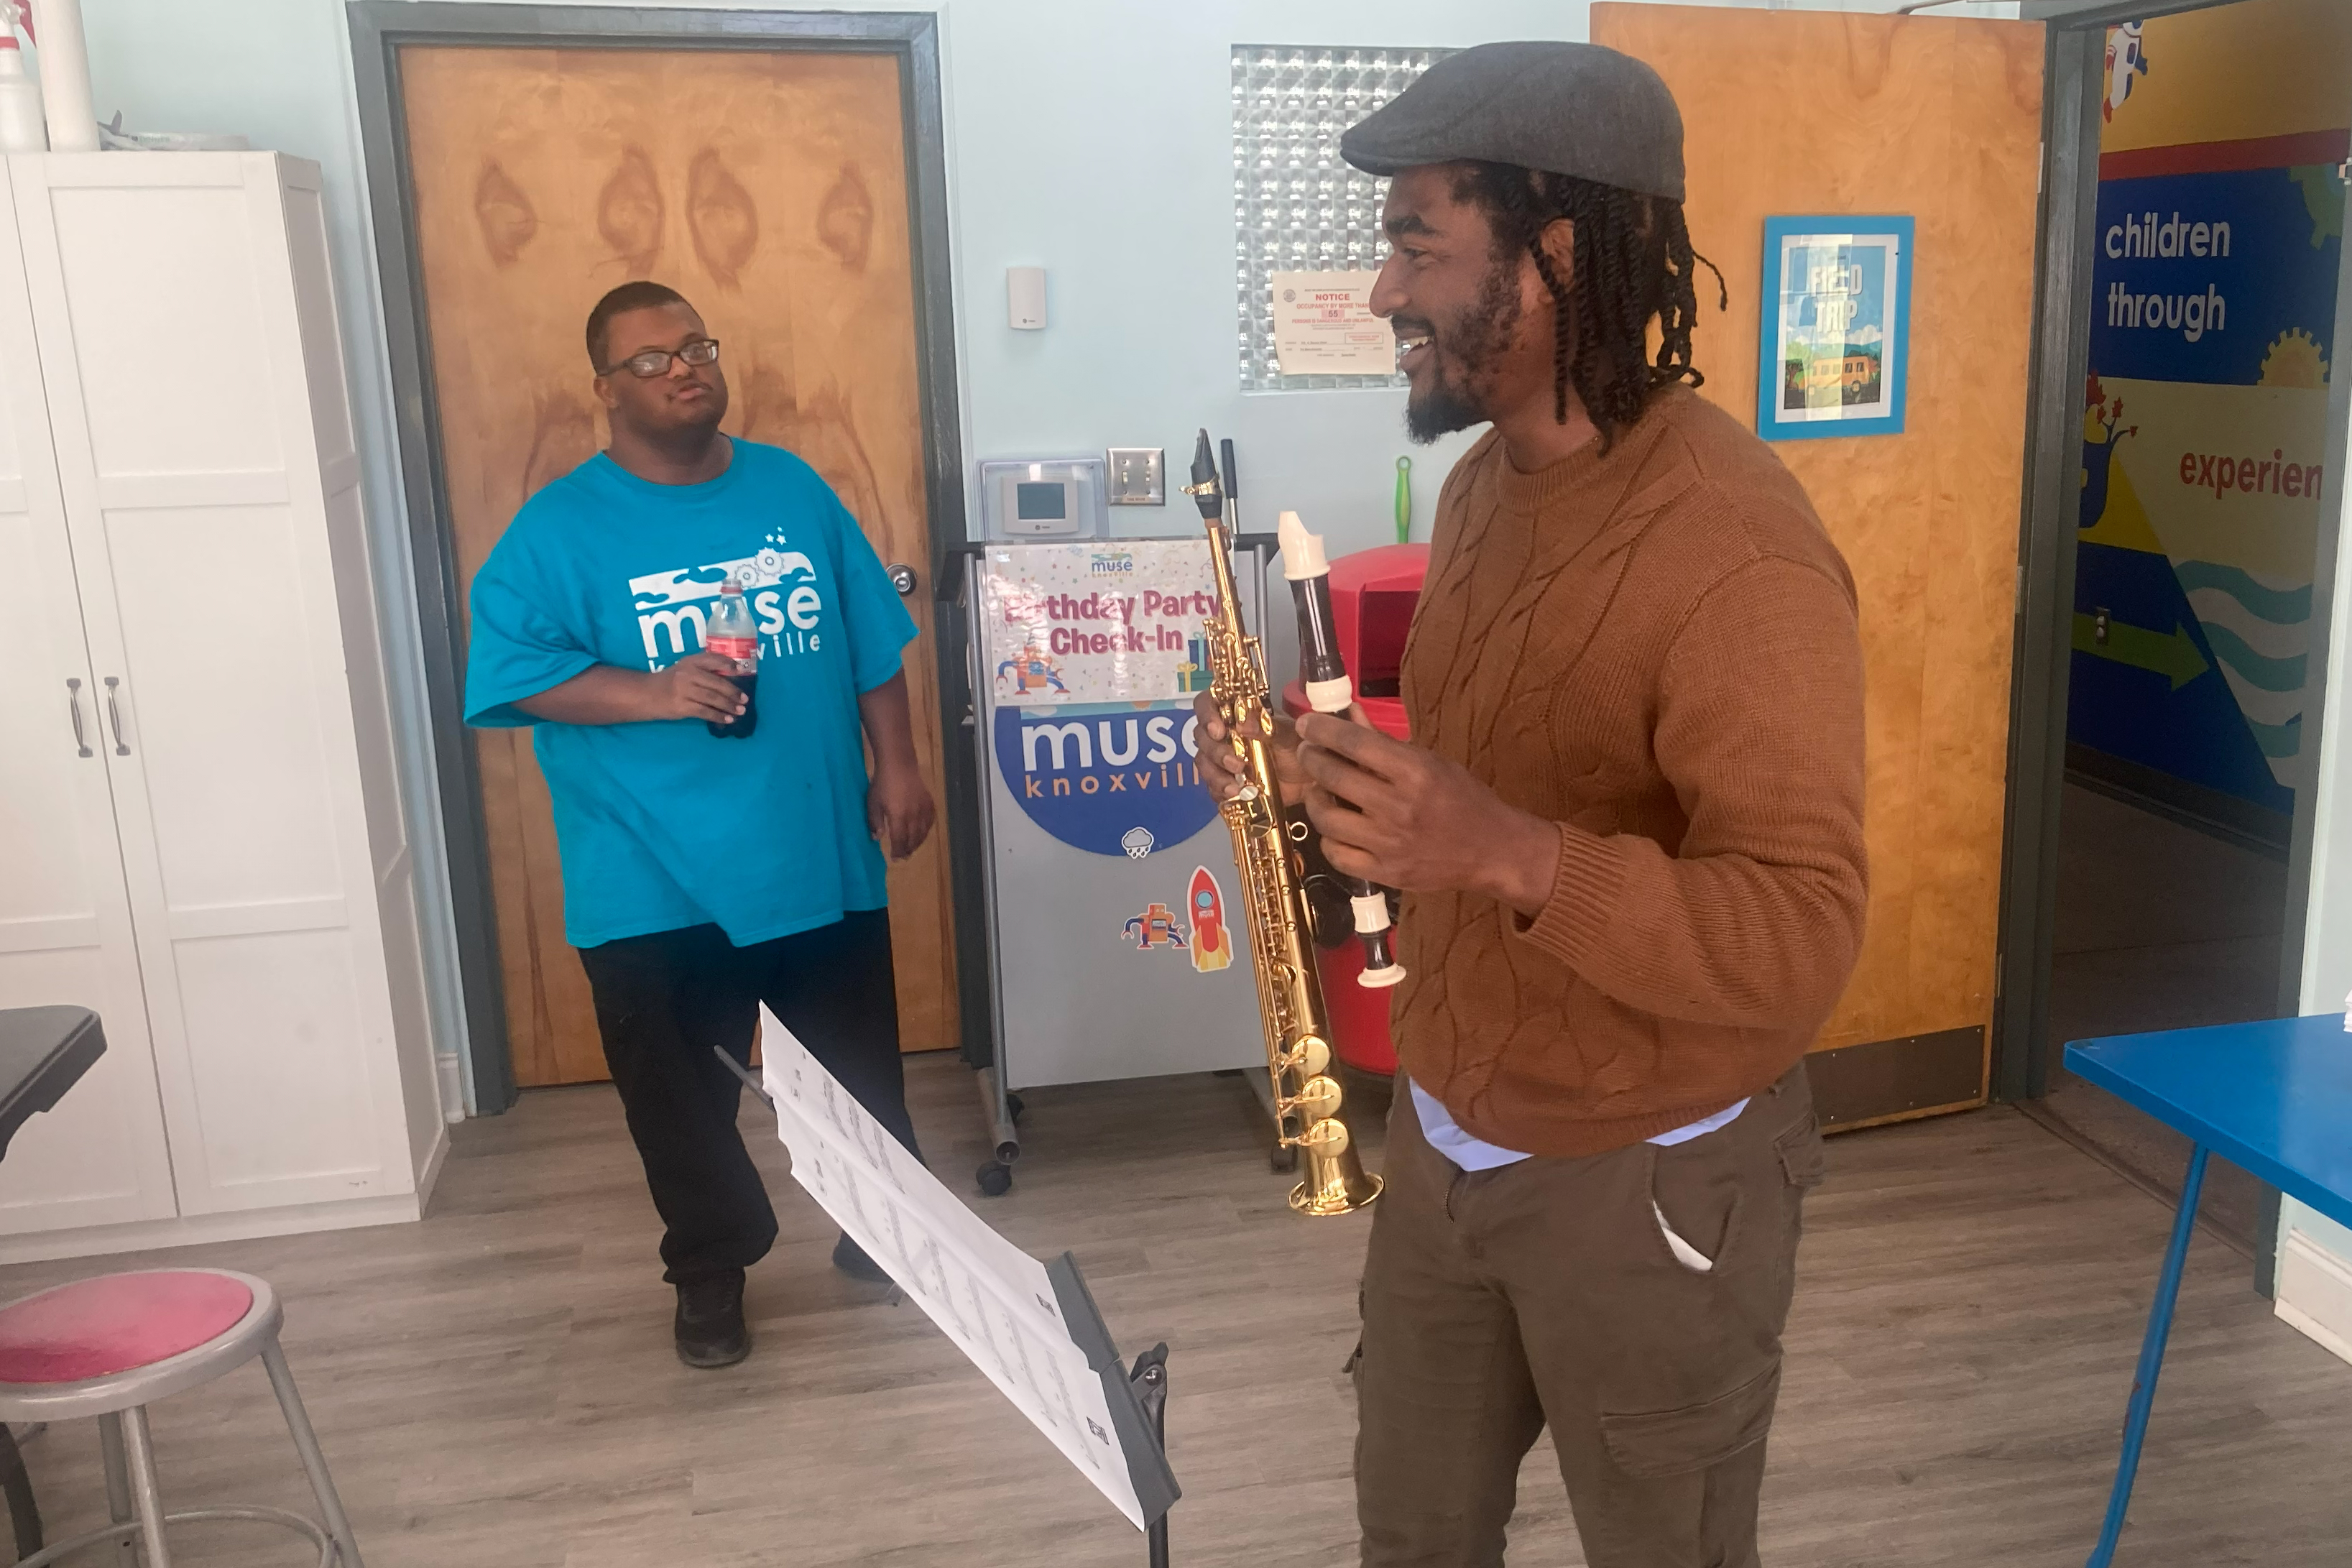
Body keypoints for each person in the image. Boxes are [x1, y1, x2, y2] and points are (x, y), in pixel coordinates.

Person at [1194, 43, 1868, 1568]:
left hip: (1650, 1185)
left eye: (1416, 241)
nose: (1379, 292)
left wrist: (1500, 851)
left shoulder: (1734, 549)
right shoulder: (1484, 485)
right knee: (1411, 1536)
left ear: (1554, 251)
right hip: (1441, 1148)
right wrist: (1309, 792)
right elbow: (1470, 800)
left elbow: (1800, 933)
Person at [464, 280, 936, 1370]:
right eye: (651, 359)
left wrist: (897, 765)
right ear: (605, 390)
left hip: (813, 847)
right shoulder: (560, 527)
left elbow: (872, 641)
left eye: (697, 347)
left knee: (858, 1074)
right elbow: (513, 673)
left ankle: (887, 1237)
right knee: (677, 1101)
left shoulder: (792, 488)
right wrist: (655, 690)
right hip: (649, 872)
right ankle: (712, 1269)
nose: (684, 368)